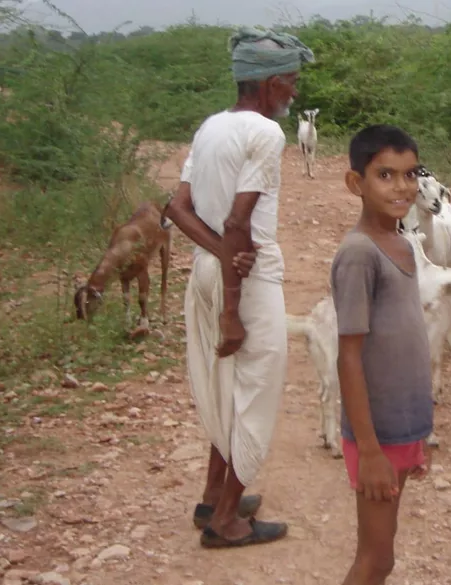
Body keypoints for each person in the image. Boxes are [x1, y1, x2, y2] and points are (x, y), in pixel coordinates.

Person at [165, 26, 314, 547]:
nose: (294, 92)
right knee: (257, 391)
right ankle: (226, 521)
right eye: (291, 82)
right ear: (270, 83)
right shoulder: (267, 134)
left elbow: (177, 209)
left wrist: (218, 256)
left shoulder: (210, 127)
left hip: (208, 269)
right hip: (245, 279)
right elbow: (238, 223)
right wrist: (233, 308)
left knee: (227, 386)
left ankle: (212, 496)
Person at [331, 124, 434, 584]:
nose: (402, 187)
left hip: (401, 428)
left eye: (410, 175)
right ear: (357, 183)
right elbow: (348, 355)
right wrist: (369, 451)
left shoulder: (403, 244)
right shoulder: (359, 254)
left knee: (384, 556)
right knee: (374, 559)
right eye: (385, 175)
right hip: (377, 438)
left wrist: (417, 432)